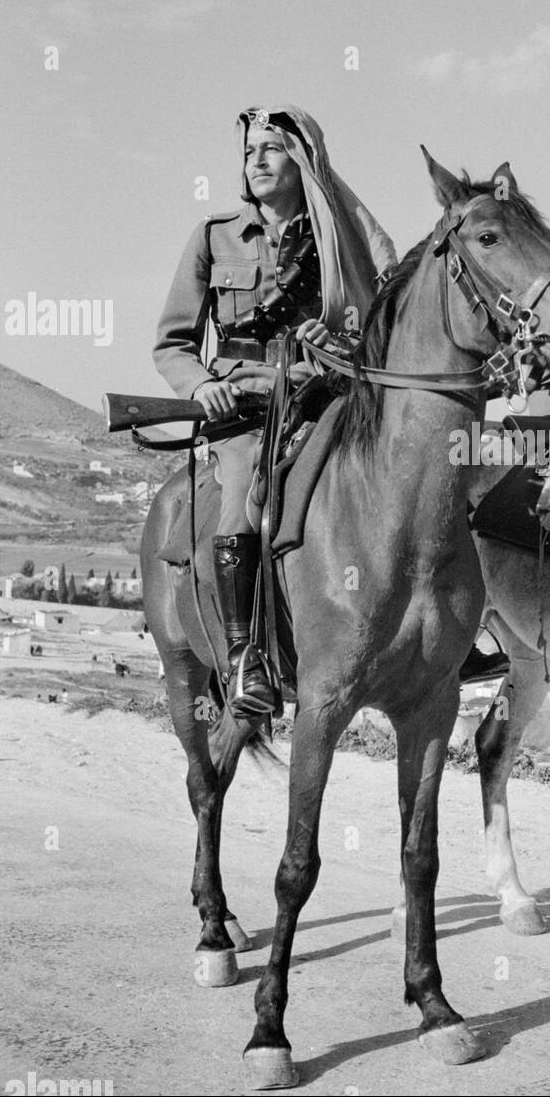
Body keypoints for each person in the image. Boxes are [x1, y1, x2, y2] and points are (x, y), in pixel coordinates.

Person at [155, 104, 396, 715]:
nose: (256, 161)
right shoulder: (214, 235)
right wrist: (200, 384)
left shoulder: (338, 245)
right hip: (243, 407)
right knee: (242, 500)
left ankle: (434, 637)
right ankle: (245, 659)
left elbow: (374, 327)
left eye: (272, 149)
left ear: (303, 159)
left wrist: (336, 344)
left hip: (324, 396)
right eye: (248, 152)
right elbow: (172, 342)